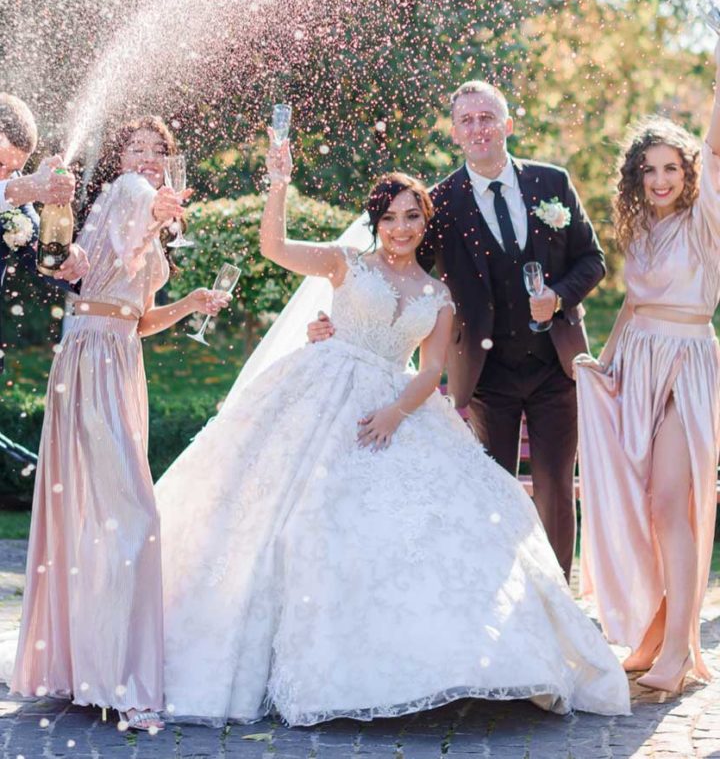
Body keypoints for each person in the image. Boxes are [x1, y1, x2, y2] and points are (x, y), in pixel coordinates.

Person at [154, 134, 629, 727]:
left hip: (397, 402)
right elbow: (272, 245)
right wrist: (279, 180)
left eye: (411, 217)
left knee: (449, 519)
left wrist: (395, 414)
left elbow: (431, 369)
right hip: (323, 389)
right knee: (298, 515)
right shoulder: (343, 263)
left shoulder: (439, 295)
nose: (400, 229)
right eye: (389, 217)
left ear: (424, 222)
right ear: (374, 221)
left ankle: (453, 660)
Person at [310, 81, 605, 581]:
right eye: (467, 120)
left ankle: (558, 601)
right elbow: (397, 271)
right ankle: (501, 591)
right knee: (490, 487)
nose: (478, 128)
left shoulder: (552, 183)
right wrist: (340, 323)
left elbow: (592, 261)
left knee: (557, 485)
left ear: (507, 125)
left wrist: (557, 296)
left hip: (556, 365)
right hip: (485, 373)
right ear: (454, 133)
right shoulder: (440, 204)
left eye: (487, 117)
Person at [11, 116, 231, 732]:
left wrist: (187, 305)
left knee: (98, 513)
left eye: (160, 148)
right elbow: (80, 265)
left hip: (114, 355)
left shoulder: (127, 204)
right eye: (138, 147)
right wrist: (156, 211)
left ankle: (86, 665)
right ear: (121, 158)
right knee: (133, 514)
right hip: (92, 360)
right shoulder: (131, 195)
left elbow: (133, 315)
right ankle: (125, 681)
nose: (151, 156)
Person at [575, 37, 720, 695]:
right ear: (637, 178)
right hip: (637, 365)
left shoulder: (705, 221)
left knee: (671, 505)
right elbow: (633, 305)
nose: (661, 180)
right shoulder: (641, 231)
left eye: (672, 168)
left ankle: (680, 653)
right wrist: (602, 366)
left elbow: (716, 148)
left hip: (687, 365)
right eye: (649, 171)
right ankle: (663, 632)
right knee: (646, 508)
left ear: (688, 172)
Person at [0, 92, 89, 373]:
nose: (5, 175)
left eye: (14, 169)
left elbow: (41, 250)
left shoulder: (15, 190)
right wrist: (26, 188)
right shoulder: (15, 189)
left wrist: (68, 256)